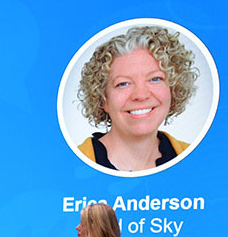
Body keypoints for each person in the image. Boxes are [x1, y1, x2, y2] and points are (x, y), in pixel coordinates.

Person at [76, 25, 198, 173]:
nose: (141, 95)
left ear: (173, 89)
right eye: (123, 84)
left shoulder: (197, 162)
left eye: (155, 79)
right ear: (103, 99)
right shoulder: (70, 166)